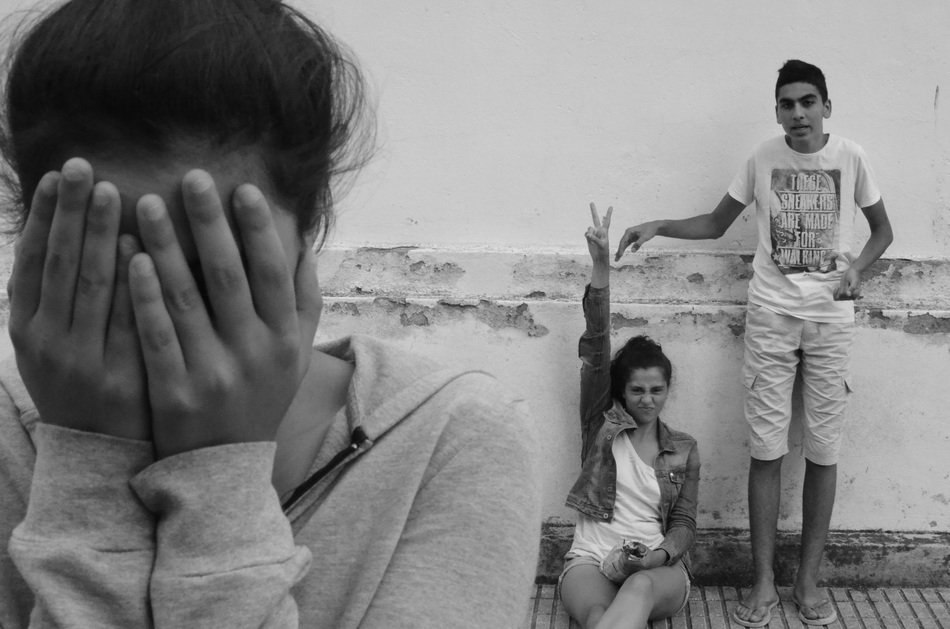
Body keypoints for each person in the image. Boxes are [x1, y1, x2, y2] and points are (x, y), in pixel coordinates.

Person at [0, 1, 540, 627]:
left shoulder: (451, 439)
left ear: (307, 230)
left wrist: (220, 479)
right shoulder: (10, 437)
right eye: (116, 259)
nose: (166, 311)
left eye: (211, 262)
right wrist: (85, 461)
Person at [614, 59, 894, 627]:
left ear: (826, 107)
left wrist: (858, 269)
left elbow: (883, 230)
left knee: (824, 451)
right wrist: (657, 225)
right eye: (787, 104)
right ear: (777, 111)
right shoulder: (763, 158)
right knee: (766, 449)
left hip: (830, 322)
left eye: (808, 101)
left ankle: (808, 581)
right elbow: (718, 223)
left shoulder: (852, 157)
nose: (798, 113)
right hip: (770, 318)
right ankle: (763, 579)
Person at [558, 203, 700, 629]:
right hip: (591, 559)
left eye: (656, 390)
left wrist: (652, 559)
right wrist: (601, 268)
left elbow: (685, 523)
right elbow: (597, 346)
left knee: (637, 591)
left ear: (667, 391)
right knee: (599, 615)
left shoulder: (684, 450)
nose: (647, 399)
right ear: (621, 392)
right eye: (637, 390)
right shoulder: (601, 426)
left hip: (657, 569)